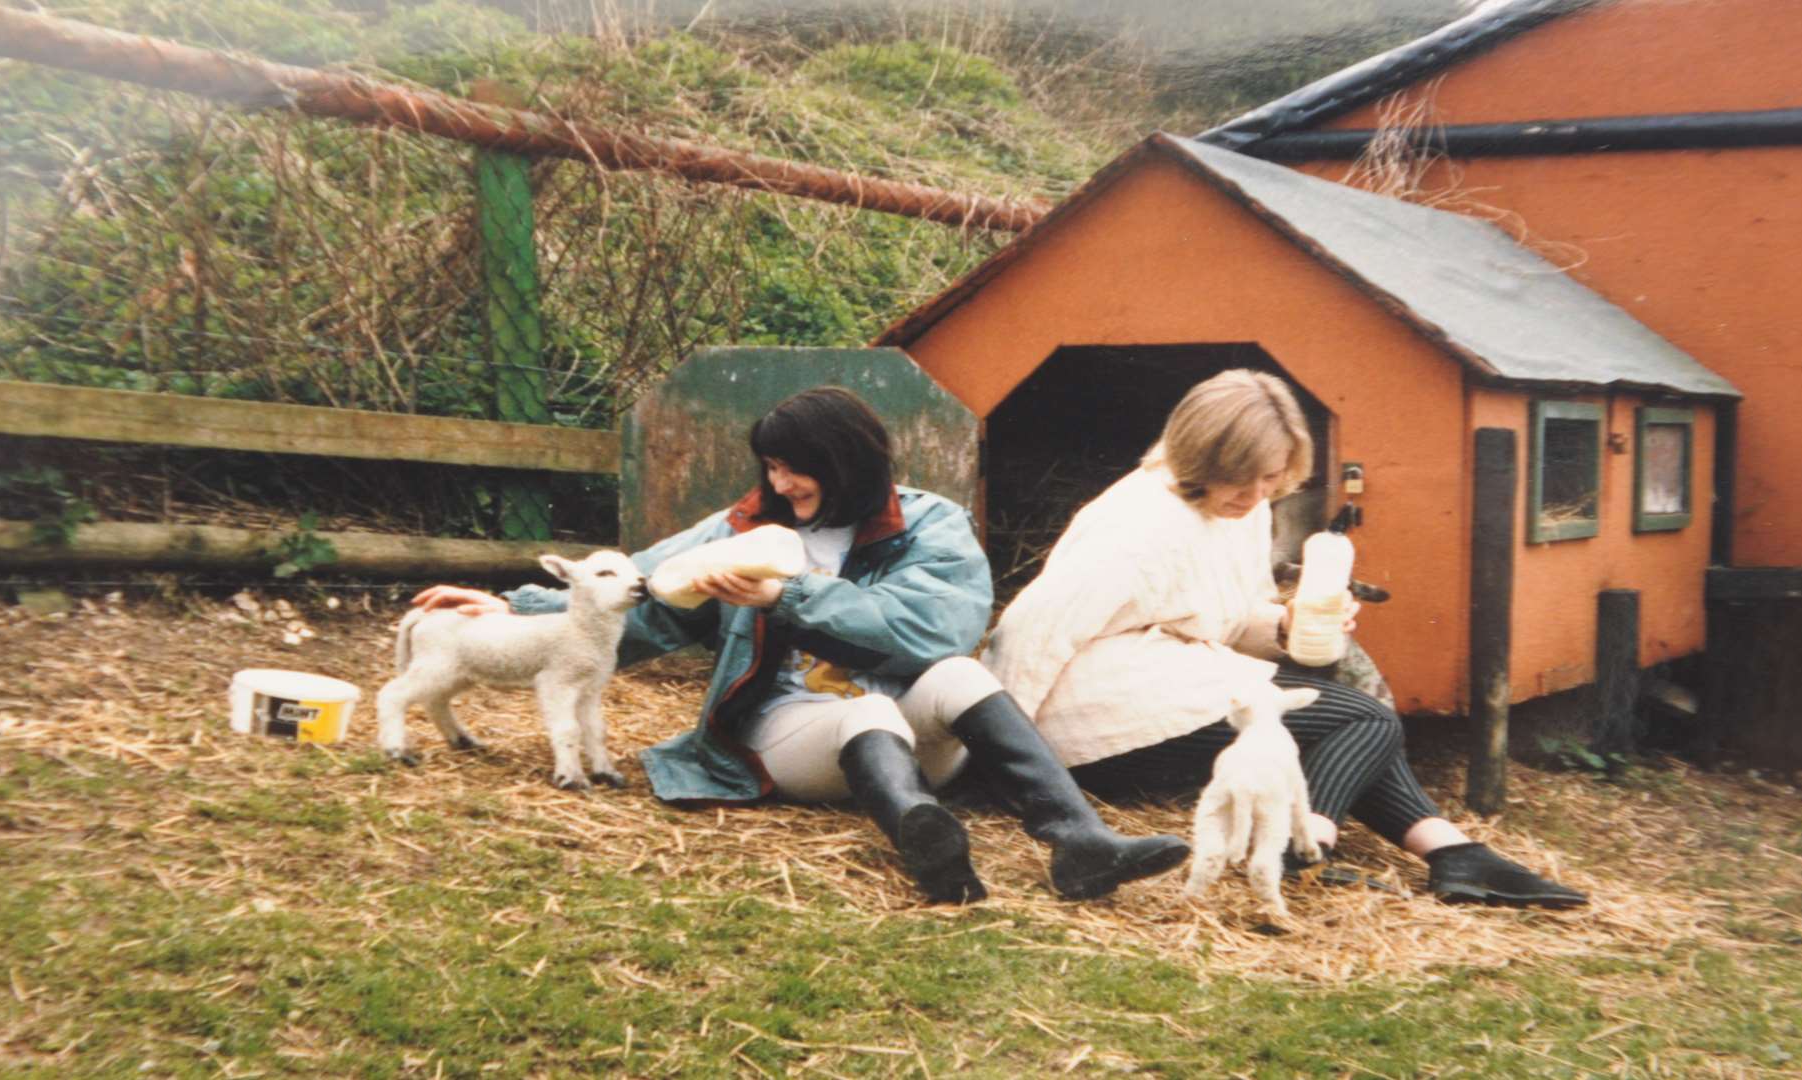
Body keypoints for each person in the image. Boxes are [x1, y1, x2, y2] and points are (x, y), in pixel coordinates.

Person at [413, 386, 1188, 904]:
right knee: (859, 717)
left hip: (915, 725)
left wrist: (793, 594)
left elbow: (936, 630)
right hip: (790, 730)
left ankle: (1079, 841)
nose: (782, 482)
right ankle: (925, 840)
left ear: (848, 463)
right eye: (773, 466)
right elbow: (639, 595)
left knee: (954, 671)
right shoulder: (741, 527)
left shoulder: (931, 524)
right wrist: (513, 607)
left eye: (797, 467)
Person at [984, 369, 1586, 908]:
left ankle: (1453, 854)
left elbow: (1225, 614)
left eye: (1269, 482)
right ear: (1198, 461)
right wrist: (1011, 766)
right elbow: (1029, 633)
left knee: (1350, 719)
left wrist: (1284, 626)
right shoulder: (1137, 525)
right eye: (1238, 483)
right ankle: (1306, 855)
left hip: (1168, 678)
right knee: (1362, 720)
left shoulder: (1246, 509)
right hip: (1091, 717)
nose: (1253, 498)